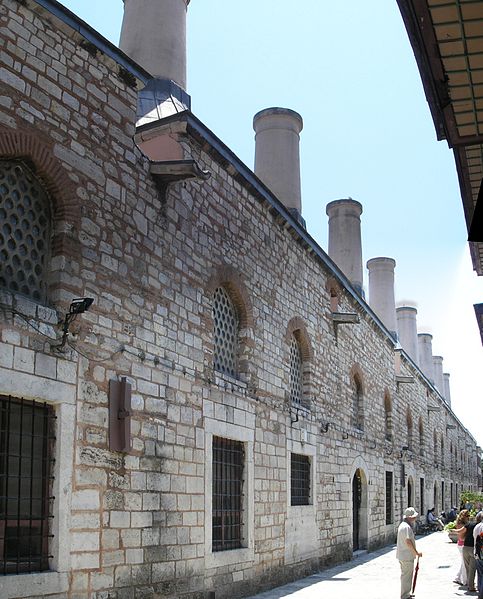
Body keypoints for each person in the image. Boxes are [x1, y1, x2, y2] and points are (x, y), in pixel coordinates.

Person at [397, 507, 422, 599]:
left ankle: (406, 593)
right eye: (414, 516)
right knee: (406, 576)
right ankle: (405, 595)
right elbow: (408, 541)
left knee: (407, 576)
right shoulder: (406, 527)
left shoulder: (403, 525)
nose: (415, 518)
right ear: (410, 517)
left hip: (403, 555)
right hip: (406, 556)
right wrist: (416, 553)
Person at [453, 509, 470, 586]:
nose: (469, 517)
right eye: (467, 516)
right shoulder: (461, 525)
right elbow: (461, 537)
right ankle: (464, 581)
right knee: (464, 563)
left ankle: (457, 578)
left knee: (463, 562)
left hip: (462, 544)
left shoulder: (461, 523)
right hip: (462, 544)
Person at [463, 516, 477, 593]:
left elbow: (461, 531)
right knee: (472, 569)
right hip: (473, 548)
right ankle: (471, 586)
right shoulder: (478, 526)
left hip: (465, 547)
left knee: (467, 568)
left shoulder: (468, 525)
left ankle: (470, 584)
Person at [473, 511, 483, 599]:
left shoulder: (477, 526)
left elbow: (475, 538)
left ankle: (480, 593)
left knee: (480, 574)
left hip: (477, 553)